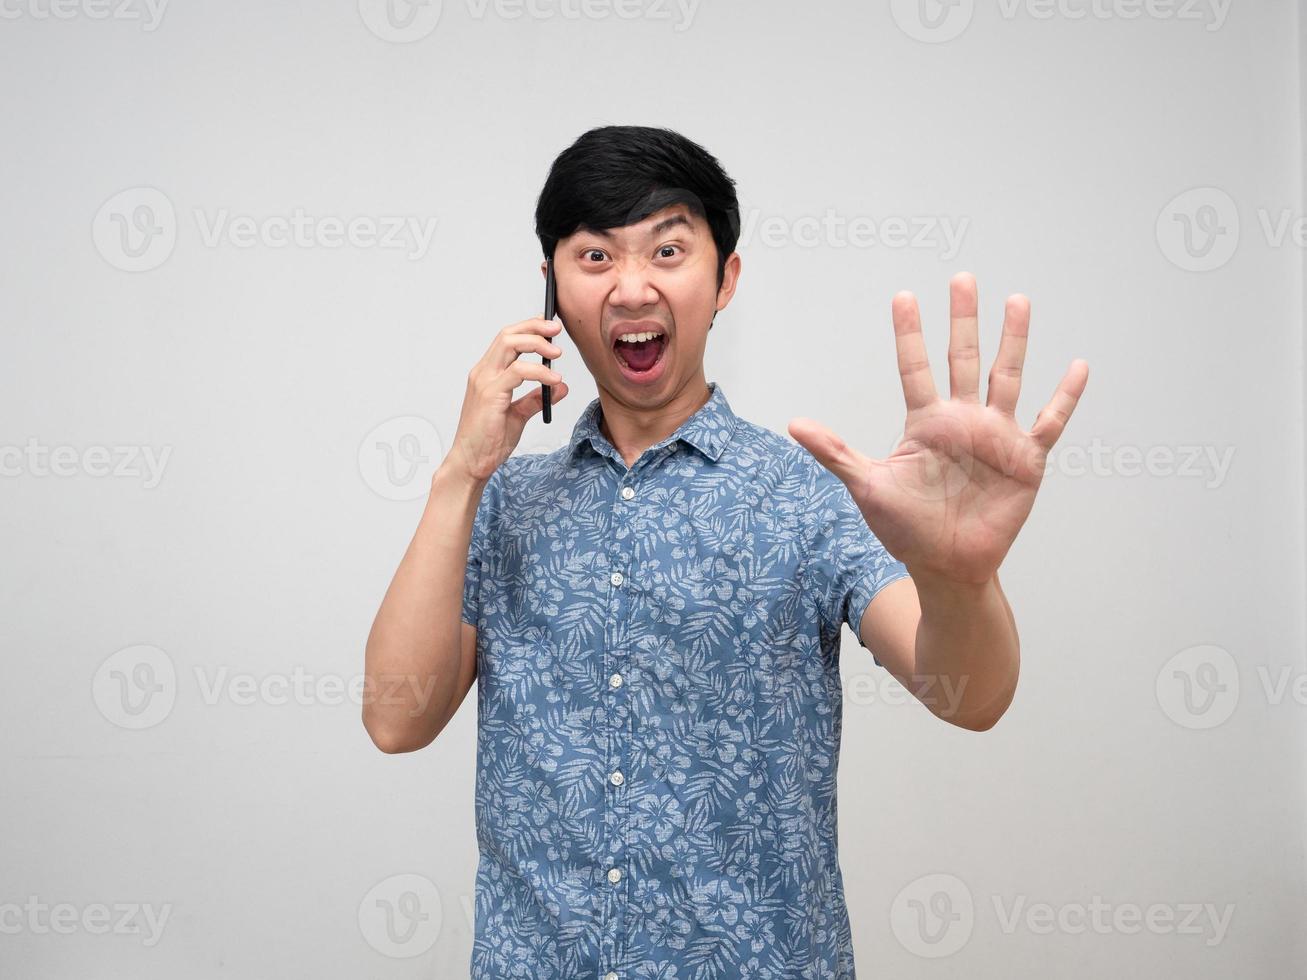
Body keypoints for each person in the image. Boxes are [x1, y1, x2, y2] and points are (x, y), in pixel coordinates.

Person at [362, 125, 1088, 979]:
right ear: (550, 289)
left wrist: (959, 578)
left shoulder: (808, 493)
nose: (632, 286)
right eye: (594, 258)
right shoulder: (503, 504)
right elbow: (395, 719)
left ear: (724, 279)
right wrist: (459, 474)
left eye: (668, 249)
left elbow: (971, 697)